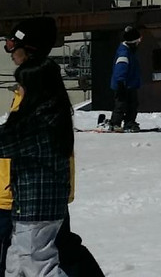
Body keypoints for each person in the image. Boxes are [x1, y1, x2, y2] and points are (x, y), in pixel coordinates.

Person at [1, 19, 104, 277]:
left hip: (31, 197)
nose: (10, 52)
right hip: (30, 193)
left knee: (35, 260)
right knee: (23, 260)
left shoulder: (38, 96)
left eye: (14, 46)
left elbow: (13, 140)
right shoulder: (41, 88)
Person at [0, 56, 73, 276]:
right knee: (17, 265)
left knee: (38, 265)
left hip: (37, 208)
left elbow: (5, 142)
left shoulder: (41, 122)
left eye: (21, 86)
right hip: (34, 206)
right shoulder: (52, 114)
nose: (18, 91)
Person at [109, 26, 142, 132]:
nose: (138, 44)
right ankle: (115, 123)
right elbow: (120, 69)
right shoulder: (124, 53)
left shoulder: (129, 52)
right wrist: (120, 83)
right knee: (121, 105)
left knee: (132, 105)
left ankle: (129, 122)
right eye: (137, 42)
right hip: (123, 85)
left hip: (130, 84)